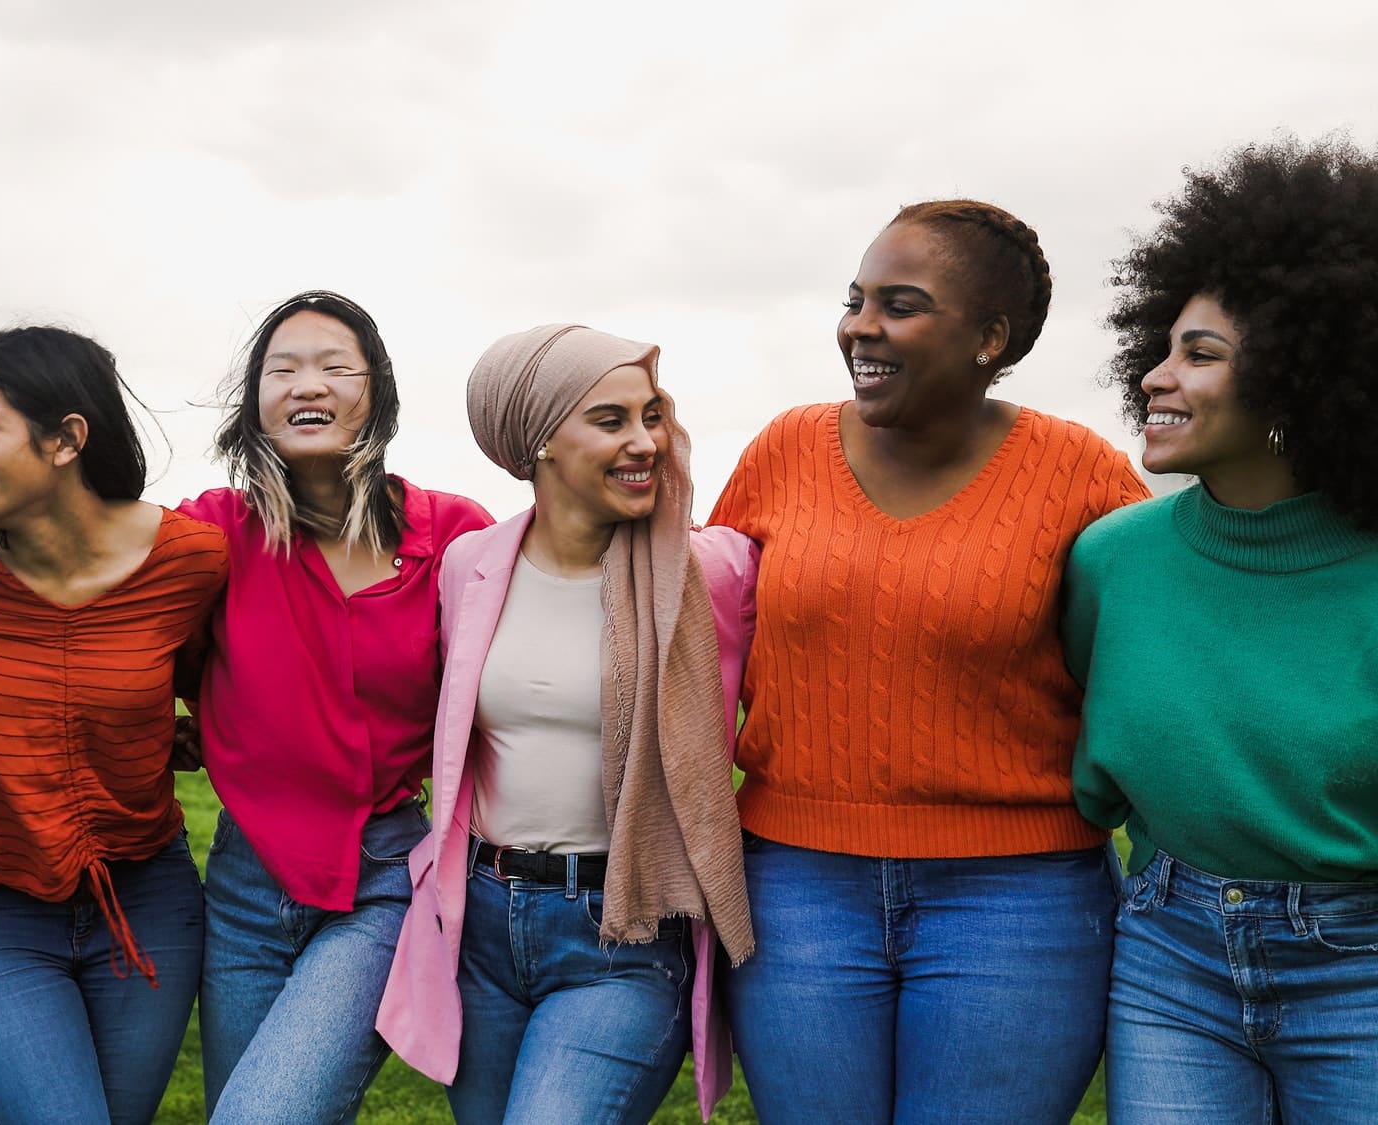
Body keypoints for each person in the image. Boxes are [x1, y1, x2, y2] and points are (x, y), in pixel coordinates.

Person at [0, 292, 493, 1123]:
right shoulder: (216, 536)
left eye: (333, 365)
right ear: (255, 401)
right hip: (241, 889)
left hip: (376, 879)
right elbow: (110, 612)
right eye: (281, 369)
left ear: (378, 392)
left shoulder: (454, 539)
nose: (305, 383)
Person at [708, 200, 1150, 1123]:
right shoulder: (785, 448)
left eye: (900, 305)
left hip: (1017, 899)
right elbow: (701, 644)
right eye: (856, 299)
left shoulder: (1082, 475)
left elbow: (1154, 665)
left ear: (991, 337)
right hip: (797, 889)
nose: (861, 327)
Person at [1066, 136, 1378, 1123]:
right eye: (1159, 347)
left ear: (1299, 375)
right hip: (1169, 952)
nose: (1154, 377)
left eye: (1199, 355)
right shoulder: (1111, 559)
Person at [379, 324, 756, 1124]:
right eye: (612, 420)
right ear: (538, 442)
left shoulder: (709, 574)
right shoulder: (469, 566)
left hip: (620, 933)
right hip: (480, 923)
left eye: (652, 415)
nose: (647, 441)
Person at [0, 325, 227, 1125]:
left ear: (65, 439)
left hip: (149, 903)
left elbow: (230, 689)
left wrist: (183, 731)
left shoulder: (191, 562)